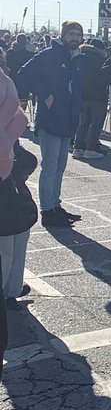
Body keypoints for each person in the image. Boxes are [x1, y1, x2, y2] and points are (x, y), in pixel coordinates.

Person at [16, 20, 85, 228]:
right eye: (71, 33)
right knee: (50, 167)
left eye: (78, 34)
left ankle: (55, 205)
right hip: (51, 120)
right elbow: (23, 75)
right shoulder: (49, 54)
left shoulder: (75, 58)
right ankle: (47, 210)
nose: (75, 37)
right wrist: (45, 94)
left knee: (61, 166)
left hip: (67, 120)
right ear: (63, 35)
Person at [0, 52, 33, 324]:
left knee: (12, 237)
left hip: (7, 169)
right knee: (13, 236)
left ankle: (10, 290)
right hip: (6, 174)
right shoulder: (6, 85)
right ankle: (9, 290)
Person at [72, 38, 110, 159]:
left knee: (83, 122)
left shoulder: (80, 57)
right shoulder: (101, 60)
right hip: (98, 96)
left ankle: (78, 147)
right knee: (96, 123)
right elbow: (106, 77)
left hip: (82, 95)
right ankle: (90, 148)